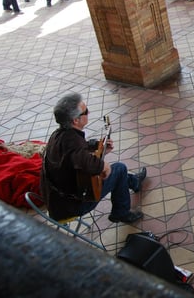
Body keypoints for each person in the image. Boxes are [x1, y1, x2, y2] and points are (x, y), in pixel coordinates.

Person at [41, 92, 146, 224]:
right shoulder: (73, 143)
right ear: (76, 120)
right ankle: (121, 213)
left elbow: (76, 158)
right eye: (86, 111)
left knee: (117, 172)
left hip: (57, 201)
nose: (89, 113)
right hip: (74, 204)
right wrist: (104, 166)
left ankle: (134, 182)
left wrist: (100, 148)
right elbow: (90, 164)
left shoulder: (58, 135)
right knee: (119, 169)